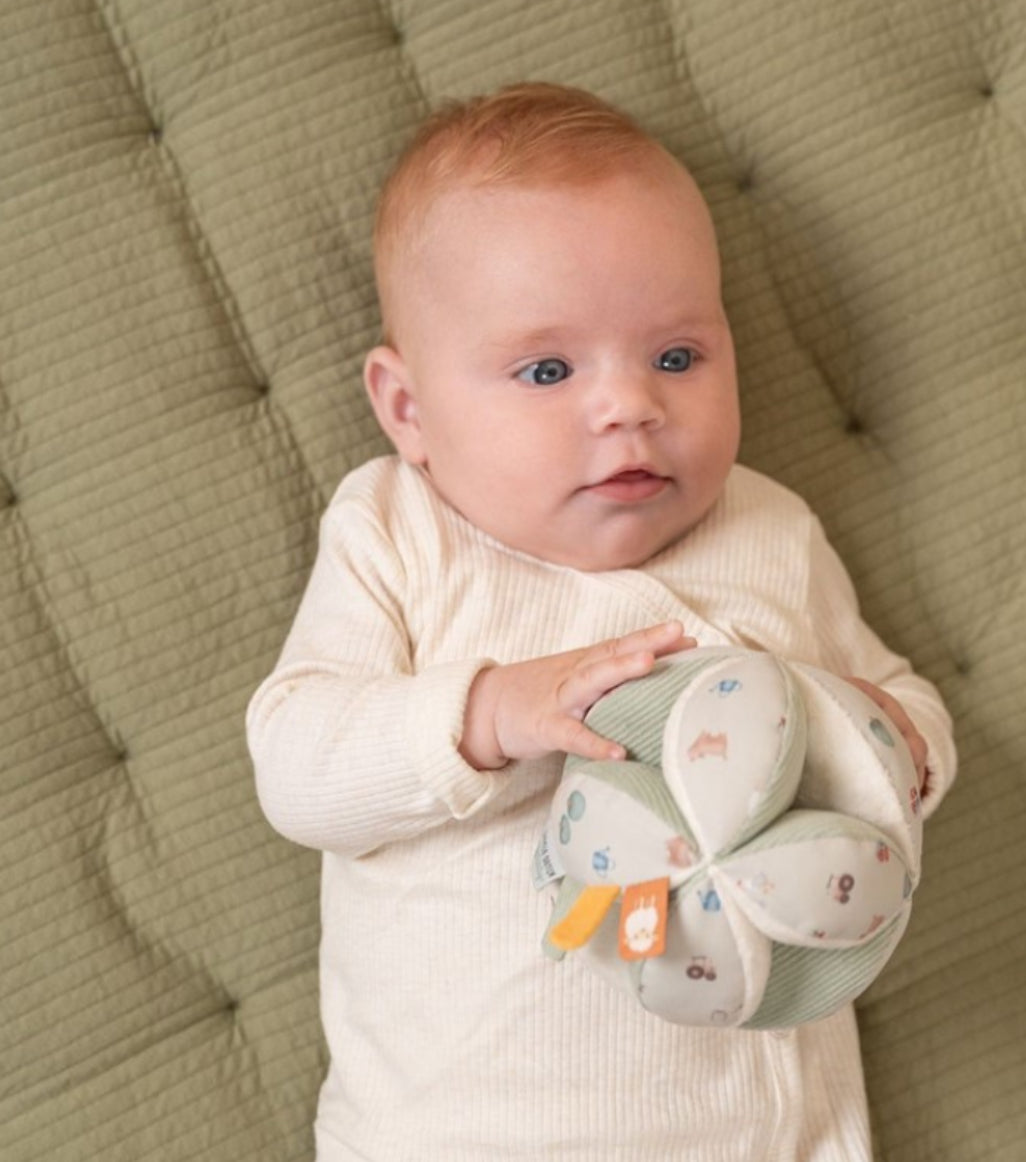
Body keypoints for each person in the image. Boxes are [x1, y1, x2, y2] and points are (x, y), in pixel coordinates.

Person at [247, 81, 956, 1161]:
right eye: (546, 369)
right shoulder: (397, 527)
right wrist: (492, 712)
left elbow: (900, 703)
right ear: (409, 410)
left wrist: (888, 738)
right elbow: (295, 762)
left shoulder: (766, 528)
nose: (631, 404)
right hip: (460, 1131)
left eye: (677, 356)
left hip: (763, 1128)